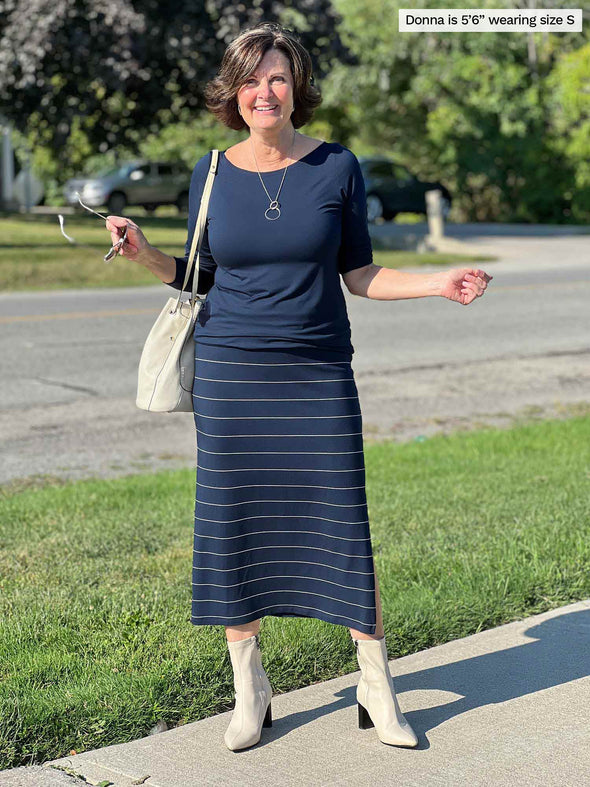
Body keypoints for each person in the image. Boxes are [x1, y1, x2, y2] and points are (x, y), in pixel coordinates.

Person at [105, 22, 492, 753]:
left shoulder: (338, 167)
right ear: (234, 92)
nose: (264, 92)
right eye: (251, 80)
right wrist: (142, 250)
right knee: (235, 523)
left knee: (343, 521)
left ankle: (375, 684)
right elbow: (198, 276)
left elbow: (361, 274)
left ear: (297, 85)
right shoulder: (211, 170)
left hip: (316, 373)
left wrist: (440, 281)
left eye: (277, 77)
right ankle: (250, 687)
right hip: (231, 375)